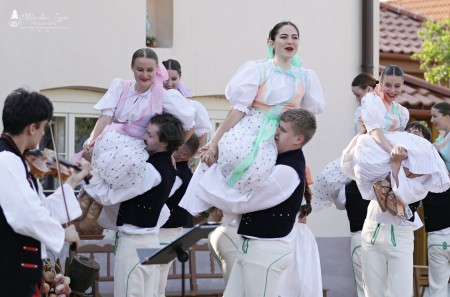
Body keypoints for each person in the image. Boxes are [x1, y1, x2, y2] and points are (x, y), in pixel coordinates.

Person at [180, 21, 324, 214]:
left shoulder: (306, 77)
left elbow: (304, 119)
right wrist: (214, 142)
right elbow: (237, 110)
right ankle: (227, 210)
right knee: (238, 159)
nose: (290, 41)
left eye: (294, 37)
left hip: (280, 135)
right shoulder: (258, 70)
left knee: (269, 179)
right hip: (251, 129)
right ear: (271, 42)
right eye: (283, 37)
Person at [197, 109, 317, 297]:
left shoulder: (288, 170)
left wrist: (212, 174)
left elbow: (243, 202)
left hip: (266, 251)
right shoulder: (274, 159)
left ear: (298, 139)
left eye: (283, 130)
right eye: (278, 126)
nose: (276, 131)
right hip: (251, 247)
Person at [77, 48, 196, 234]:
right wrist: (92, 141)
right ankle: (79, 219)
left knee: (112, 178)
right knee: (95, 169)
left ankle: (90, 221)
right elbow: (105, 117)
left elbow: (190, 126)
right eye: (140, 69)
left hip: (138, 146)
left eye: (150, 70)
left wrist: (170, 151)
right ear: (132, 67)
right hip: (112, 139)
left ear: (156, 70)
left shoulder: (165, 96)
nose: (145, 74)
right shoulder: (120, 86)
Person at [0, 88, 90, 296]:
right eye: (43, 128)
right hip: (9, 273)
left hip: (19, 273)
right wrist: (61, 233)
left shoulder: (18, 161)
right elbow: (25, 214)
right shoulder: (6, 160)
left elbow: (42, 208)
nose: (43, 135)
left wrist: (73, 182)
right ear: (32, 128)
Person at [341, 65, 449, 213]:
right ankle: (390, 187)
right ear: (380, 83)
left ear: (402, 85)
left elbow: (400, 136)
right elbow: (375, 131)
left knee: (427, 156)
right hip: (374, 146)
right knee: (413, 154)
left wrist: (405, 151)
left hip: (390, 146)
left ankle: (390, 188)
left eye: (397, 86)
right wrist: (392, 151)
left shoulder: (402, 111)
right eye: (388, 85)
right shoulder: (372, 100)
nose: (392, 90)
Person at [312, 73, 377, 297]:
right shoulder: (361, 112)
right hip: (359, 160)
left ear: (368, 90)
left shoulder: (374, 111)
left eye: (358, 95)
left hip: (366, 161)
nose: (357, 99)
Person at [113, 113, 185, 297]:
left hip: (134, 243)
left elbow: (114, 195)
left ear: (164, 143)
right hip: (151, 241)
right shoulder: (171, 171)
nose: (144, 137)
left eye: (150, 134)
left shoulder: (150, 169)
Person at [157, 134, 199, 297]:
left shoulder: (179, 176)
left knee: (155, 281)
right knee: (157, 280)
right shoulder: (184, 173)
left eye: (177, 145)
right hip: (171, 232)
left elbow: (159, 198)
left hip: (165, 233)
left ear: (184, 155)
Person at [423, 102, 450, 297]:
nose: (432, 120)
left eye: (435, 116)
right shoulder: (442, 138)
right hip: (439, 216)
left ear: (447, 116)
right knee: (438, 284)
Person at [162, 59, 212, 148]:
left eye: (174, 79)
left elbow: (201, 136)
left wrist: (176, 154)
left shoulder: (192, 106)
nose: (169, 84)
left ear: (180, 78)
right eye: (165, 79)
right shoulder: (151, 99)